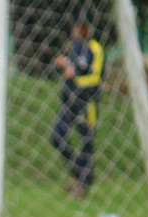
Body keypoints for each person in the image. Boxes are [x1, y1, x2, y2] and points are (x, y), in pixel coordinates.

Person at [50, 20, 103, 199]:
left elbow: (96, 78)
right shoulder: (72, 46)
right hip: (69, 103)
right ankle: (79, 175)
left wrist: (76, 78)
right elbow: (67, 70)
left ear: (86, 29)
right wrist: (61, 65)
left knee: (86, 144)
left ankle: (83, 185)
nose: (73, 30)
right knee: (57, 135)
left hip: (87, 104)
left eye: (77, 27)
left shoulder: (95, 49)